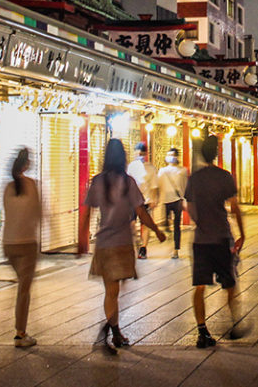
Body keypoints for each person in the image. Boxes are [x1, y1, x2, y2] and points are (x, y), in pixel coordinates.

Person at [81, 138, 166, 354]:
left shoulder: (97, 181)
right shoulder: (127, 182)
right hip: (121, 244)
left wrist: (81, 242)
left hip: (104, 244)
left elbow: (87, 212)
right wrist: (156, 230)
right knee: (116, 291)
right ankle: (109, 331)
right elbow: (141, 212)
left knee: (113, 291)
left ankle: (114, 330)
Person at [184, 134, 246, 348]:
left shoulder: (195, 178)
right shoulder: (224, 176)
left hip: (201, 240)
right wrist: (242, 233)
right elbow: (235, 206)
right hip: (221, 237)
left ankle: (202, 331)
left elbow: (189, 206)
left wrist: (199, 222)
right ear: (217, 153)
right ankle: (234, 323)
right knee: (229, 283)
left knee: (199, 286)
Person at [2, 147, 41, 348]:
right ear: (27, 165)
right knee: (23, 290)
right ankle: (20, 333)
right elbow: (37, 213)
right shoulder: (31, 185)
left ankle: (20, 328)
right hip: (26, 244)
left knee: (21, 286)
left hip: (8, 244)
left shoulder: (8, 188)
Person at [127, 141, 159, 259]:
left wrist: (154, 199)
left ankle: (143, 248)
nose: (139, 155)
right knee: (131, 223)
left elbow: (154, 186)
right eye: (138, 152)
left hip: (146, 200)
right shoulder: (131, 166)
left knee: (145, 225)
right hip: (132, 200)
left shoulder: (151, 168)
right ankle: (136, 244)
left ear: (145, 154)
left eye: (141, 153)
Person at [158, 147, 188, 259]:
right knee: (166, 224)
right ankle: (168, 237)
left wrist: (185, 200)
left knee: (177, 226)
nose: (171, 157)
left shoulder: (182, 170)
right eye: (169, 154)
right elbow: (158, 185)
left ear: (177, 156)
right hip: (166, 200)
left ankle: (176, 249)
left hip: (177, 200)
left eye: (173, 155)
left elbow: (185, 186)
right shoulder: (162, 171)